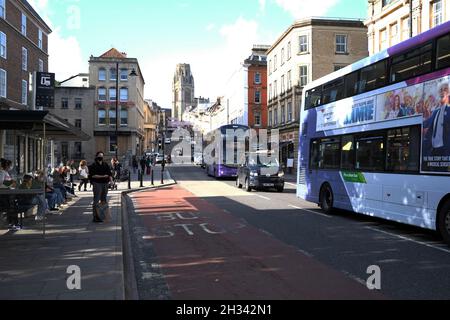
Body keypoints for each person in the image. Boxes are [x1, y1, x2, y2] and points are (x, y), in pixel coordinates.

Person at [423, 83, 450, 157]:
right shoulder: (435, 112)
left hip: (445, 151)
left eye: (445, 89)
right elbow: (425, 123)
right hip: (433, 151)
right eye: (441, 90)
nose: (442, 92)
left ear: (448, 93)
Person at [88, 152, 113, 223]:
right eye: (99, 156)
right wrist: (102, 176)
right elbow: (92, 176)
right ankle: (95, 217)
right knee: (96, 199)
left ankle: (103, 215)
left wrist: (111, 181)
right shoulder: (93, 165)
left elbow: (109, 174)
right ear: (96, 157)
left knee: (104, 200)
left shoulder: (105, 164)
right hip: (97, 183)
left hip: (105, 183)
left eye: (102, 156)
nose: (101, 157)